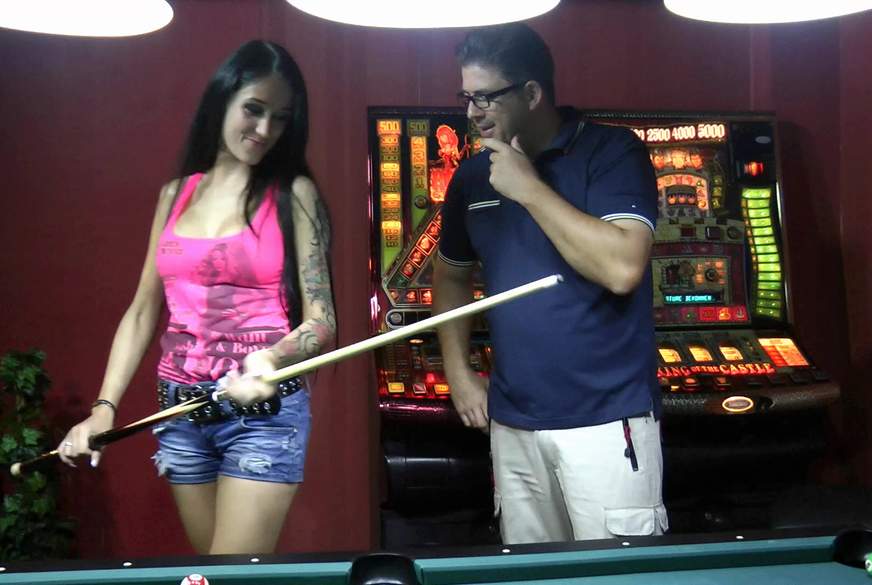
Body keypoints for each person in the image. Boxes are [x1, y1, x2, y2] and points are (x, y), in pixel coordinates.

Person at [58, 40, 336, 555]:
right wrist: (104, 408)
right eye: (253, 109)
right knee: (213, 573)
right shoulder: (175, 194)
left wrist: (269, 361)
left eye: (280, 118)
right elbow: (143, 310)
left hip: (262, 411)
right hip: (180, 411)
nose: (264, 130)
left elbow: (322, 322)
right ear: (222, 100)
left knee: (228, 574)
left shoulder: (294, 193)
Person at [433, 23, 667, 544]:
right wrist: (458, 371)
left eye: (485, 97)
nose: (471, 111)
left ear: (532, 93)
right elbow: (449, 275)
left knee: (615, 579)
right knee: (532, 573)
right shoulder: (472, 177)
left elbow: (622, 269)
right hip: (513, 424)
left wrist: (530, 189)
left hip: (607, 420)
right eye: (465, 97)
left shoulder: (611, 153)